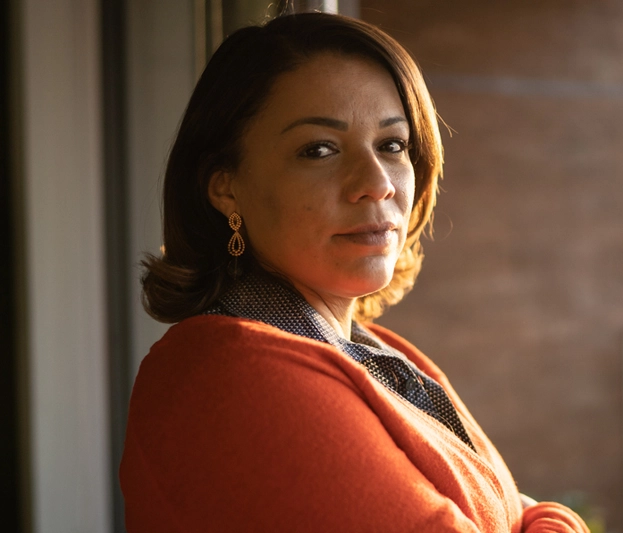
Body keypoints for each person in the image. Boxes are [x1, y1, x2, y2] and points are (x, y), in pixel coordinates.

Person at [120, 11, 589, 533]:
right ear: (226, 186)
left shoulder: (379, 353)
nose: (376, 183)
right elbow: (513, 508)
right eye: (318, 150)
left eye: (392, 145)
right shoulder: (227, 373)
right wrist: (551, 518)